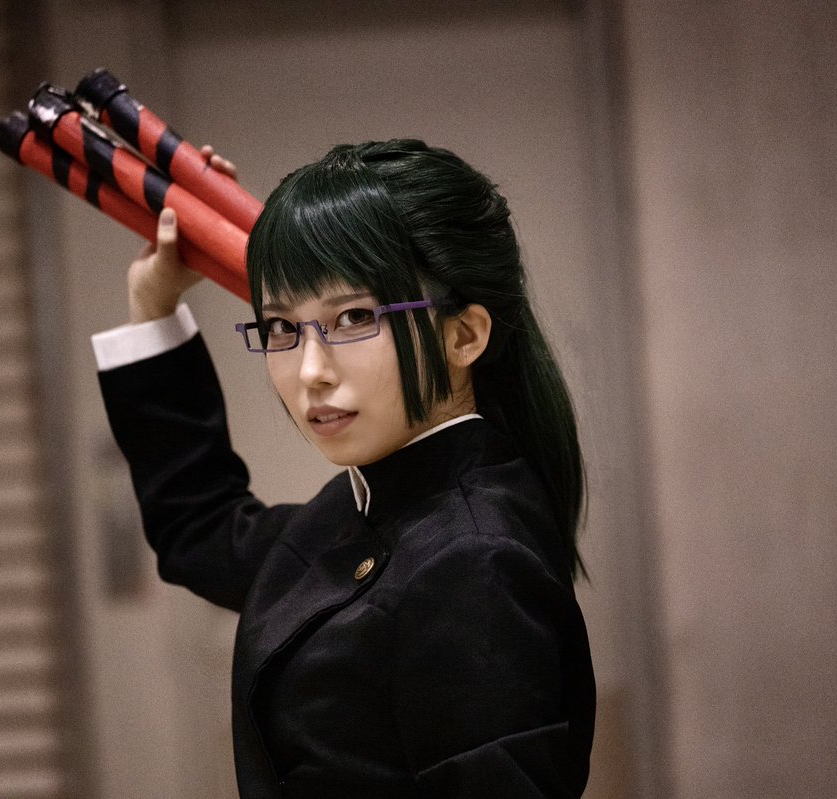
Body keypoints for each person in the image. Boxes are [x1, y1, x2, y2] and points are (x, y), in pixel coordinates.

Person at [92, 139, 595, 798]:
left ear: (465, 334)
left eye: (354, 317)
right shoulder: (373, 505)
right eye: (281, 327)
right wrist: (152, 306)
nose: (310, 371)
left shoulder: (472, 559)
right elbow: (204, 531)